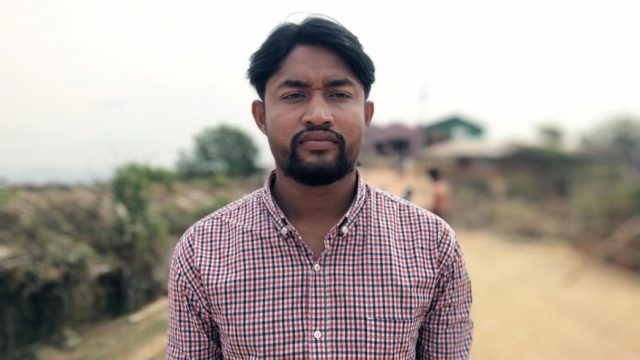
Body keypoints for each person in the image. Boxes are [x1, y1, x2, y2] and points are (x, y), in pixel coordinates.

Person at [167, 16, 472, 359]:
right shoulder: (201, 251)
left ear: (367, 115)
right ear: (261, 117)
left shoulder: (433, 245)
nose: (317, 114)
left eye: (338, 94)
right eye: (294, 94)